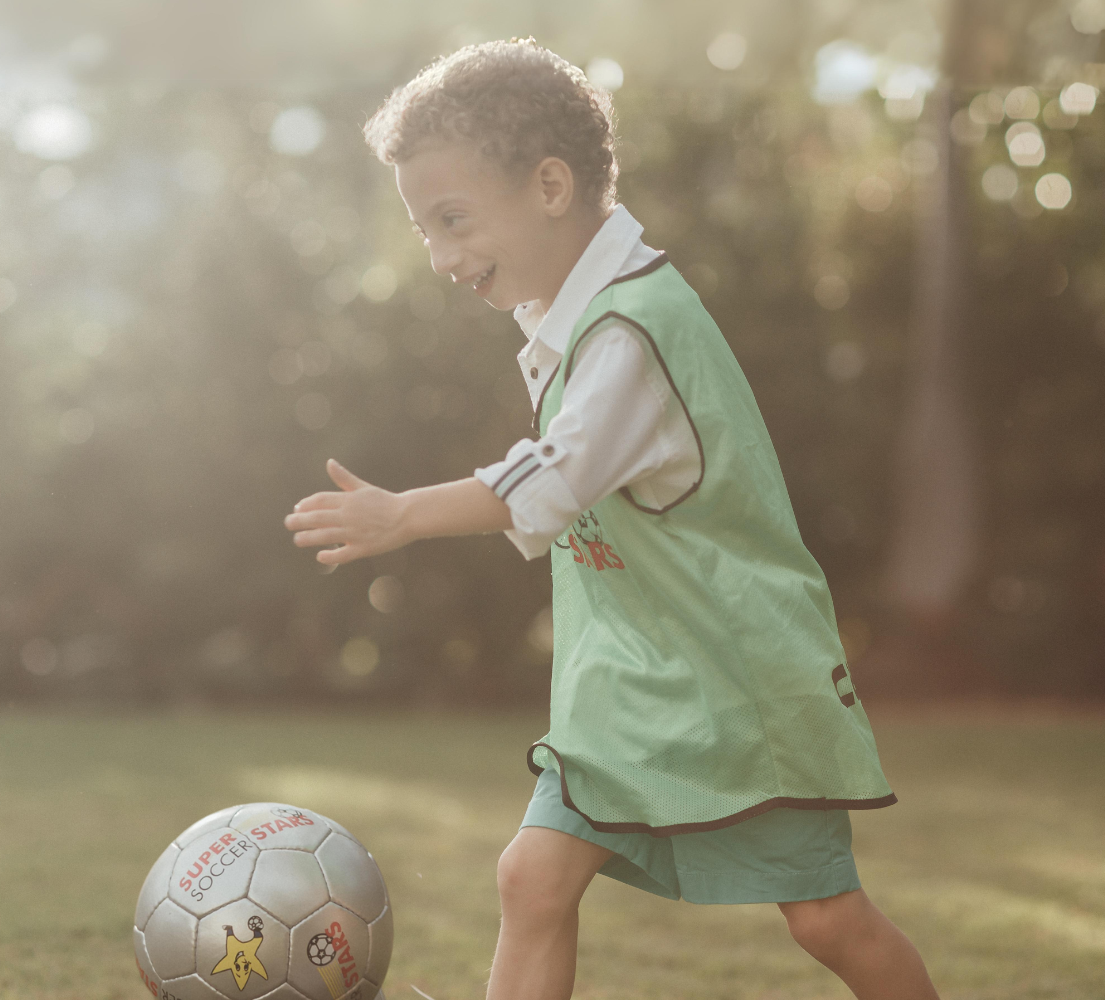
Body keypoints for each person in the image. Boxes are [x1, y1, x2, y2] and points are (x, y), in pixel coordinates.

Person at [285, 37, 940, 1000]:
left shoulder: (634, 328)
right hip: (632, 687)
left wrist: (403, 515)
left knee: (827, 919)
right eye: (426, 229)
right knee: (531, 876)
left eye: (453, 220)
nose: (440, 256)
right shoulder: (574, 317)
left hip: (739, 680)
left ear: (552, 185)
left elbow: (550, 479)